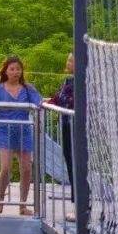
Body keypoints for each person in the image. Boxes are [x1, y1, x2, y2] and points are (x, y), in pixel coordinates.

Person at [0, 55, 43, 215]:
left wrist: (43, 104)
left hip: (23, 131)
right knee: (6, 167)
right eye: (12, 69)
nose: (16, 72)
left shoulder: (27, 89)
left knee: (26, 168)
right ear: (6, 71)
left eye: (18, 69)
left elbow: (39, 103)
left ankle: (22, 205)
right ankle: (0, 199)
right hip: (5, 131)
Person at [48, 51, 76, 221]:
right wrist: (46, 103)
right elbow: (58, 99)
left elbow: (72, 102)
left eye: (71, 60)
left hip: (78, 127)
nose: (68, 63)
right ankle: (79, 204)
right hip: (68, 126)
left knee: (76, 166)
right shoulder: (69, 81)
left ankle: (80, 206)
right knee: (71, 164)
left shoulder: (84, 81)